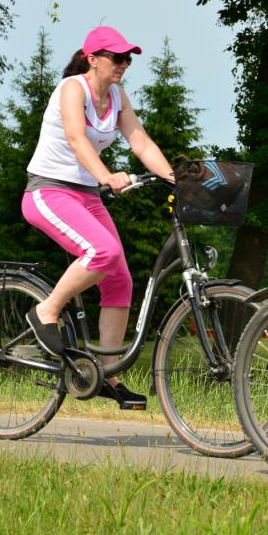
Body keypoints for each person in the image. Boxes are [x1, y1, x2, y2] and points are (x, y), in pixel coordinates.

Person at [22, 26, 174, 410]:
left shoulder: (117, 97)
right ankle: (46, 310)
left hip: (85, 196)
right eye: (117, 57)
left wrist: (176, 179)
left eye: (128, 59)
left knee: (120, 278)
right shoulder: (72, 89)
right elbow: (77, 139)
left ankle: (107, 374)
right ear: (92, 59)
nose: (124, 64)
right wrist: (107, 176)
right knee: (103, 252)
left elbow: (140, 141)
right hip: (48, 191)